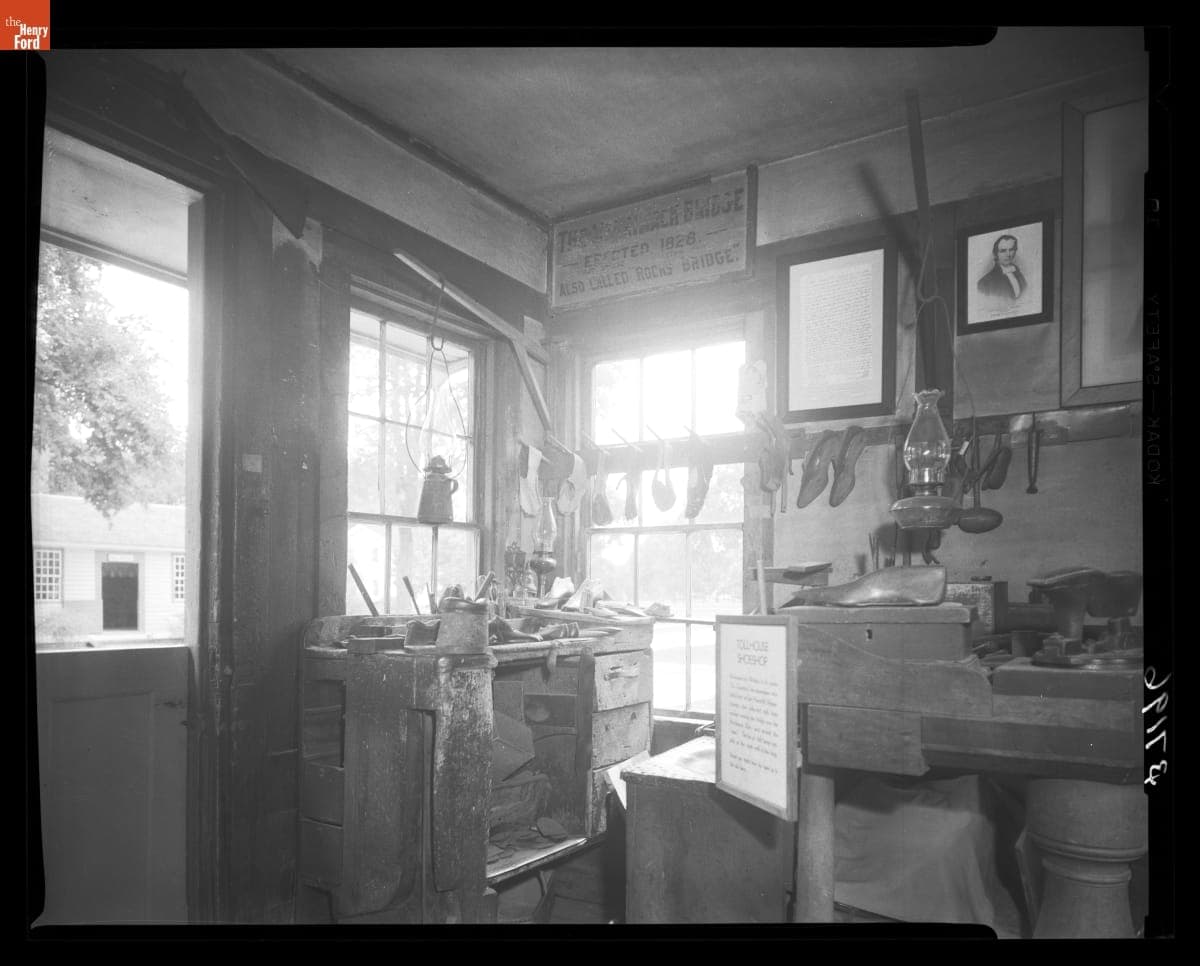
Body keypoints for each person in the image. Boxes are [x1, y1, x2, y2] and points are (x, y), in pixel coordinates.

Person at [976, 234, 1026, 300]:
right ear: (995, 254)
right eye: (1003, 251)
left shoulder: (1018, 273)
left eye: (1011, 250)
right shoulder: (985, 283)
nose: (1008, 254)